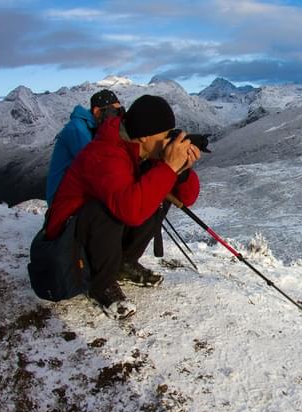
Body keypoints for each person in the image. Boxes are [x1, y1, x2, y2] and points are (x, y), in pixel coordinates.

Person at [43, 94, 201, 319]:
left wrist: (181, 170)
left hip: (88, 233)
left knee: (155, 189)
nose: (171, 141)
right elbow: (130, 211)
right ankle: (101, 285)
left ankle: (123, 263)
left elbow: (188, 197)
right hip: (65, 241)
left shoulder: (139, 150)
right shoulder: (106, 153)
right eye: (167, 135)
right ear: (145, 137)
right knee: (109, 207)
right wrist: (167, 168)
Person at [46, 89, 124, 206]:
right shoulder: (77, 129)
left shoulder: (95, 128)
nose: (116, 117)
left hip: (77, 192)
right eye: (113, 111)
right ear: (97, 111)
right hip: (61, 200)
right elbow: (94, 165)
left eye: (119, 111)